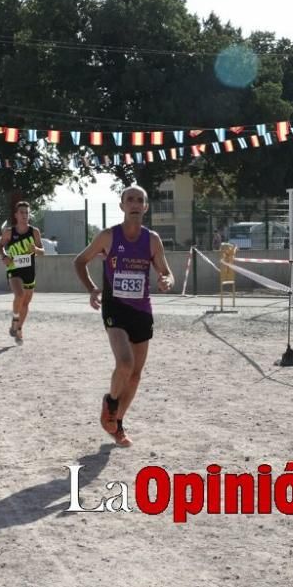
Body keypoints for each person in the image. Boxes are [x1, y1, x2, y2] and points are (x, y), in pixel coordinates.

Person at [73, 185, 175, 447]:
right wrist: (92, 288)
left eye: (140, 200)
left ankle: (116, 424)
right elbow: (80, 261)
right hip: (115, 307)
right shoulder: (108, 236)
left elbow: (166, 271)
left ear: (146, 207)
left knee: (136, 374)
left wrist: (166, 280)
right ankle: (110, 403)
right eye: (129, 199)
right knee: (125, 363)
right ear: (121, 205)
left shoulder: (152, 240)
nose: (134, 203)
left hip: (141, 310)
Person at [0, 201, 45, 346]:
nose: (24, 215)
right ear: (16, 215)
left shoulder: (34, 232)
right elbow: (0, 246)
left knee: (25, 303)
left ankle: (18, 329)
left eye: (26, 212)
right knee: (19, 295)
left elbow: (42, 252)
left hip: (29, 271)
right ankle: (15, 318)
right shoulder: (9, 232)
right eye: (22, 212)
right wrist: (4, 256)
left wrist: (36, 250)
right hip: (14, 268)